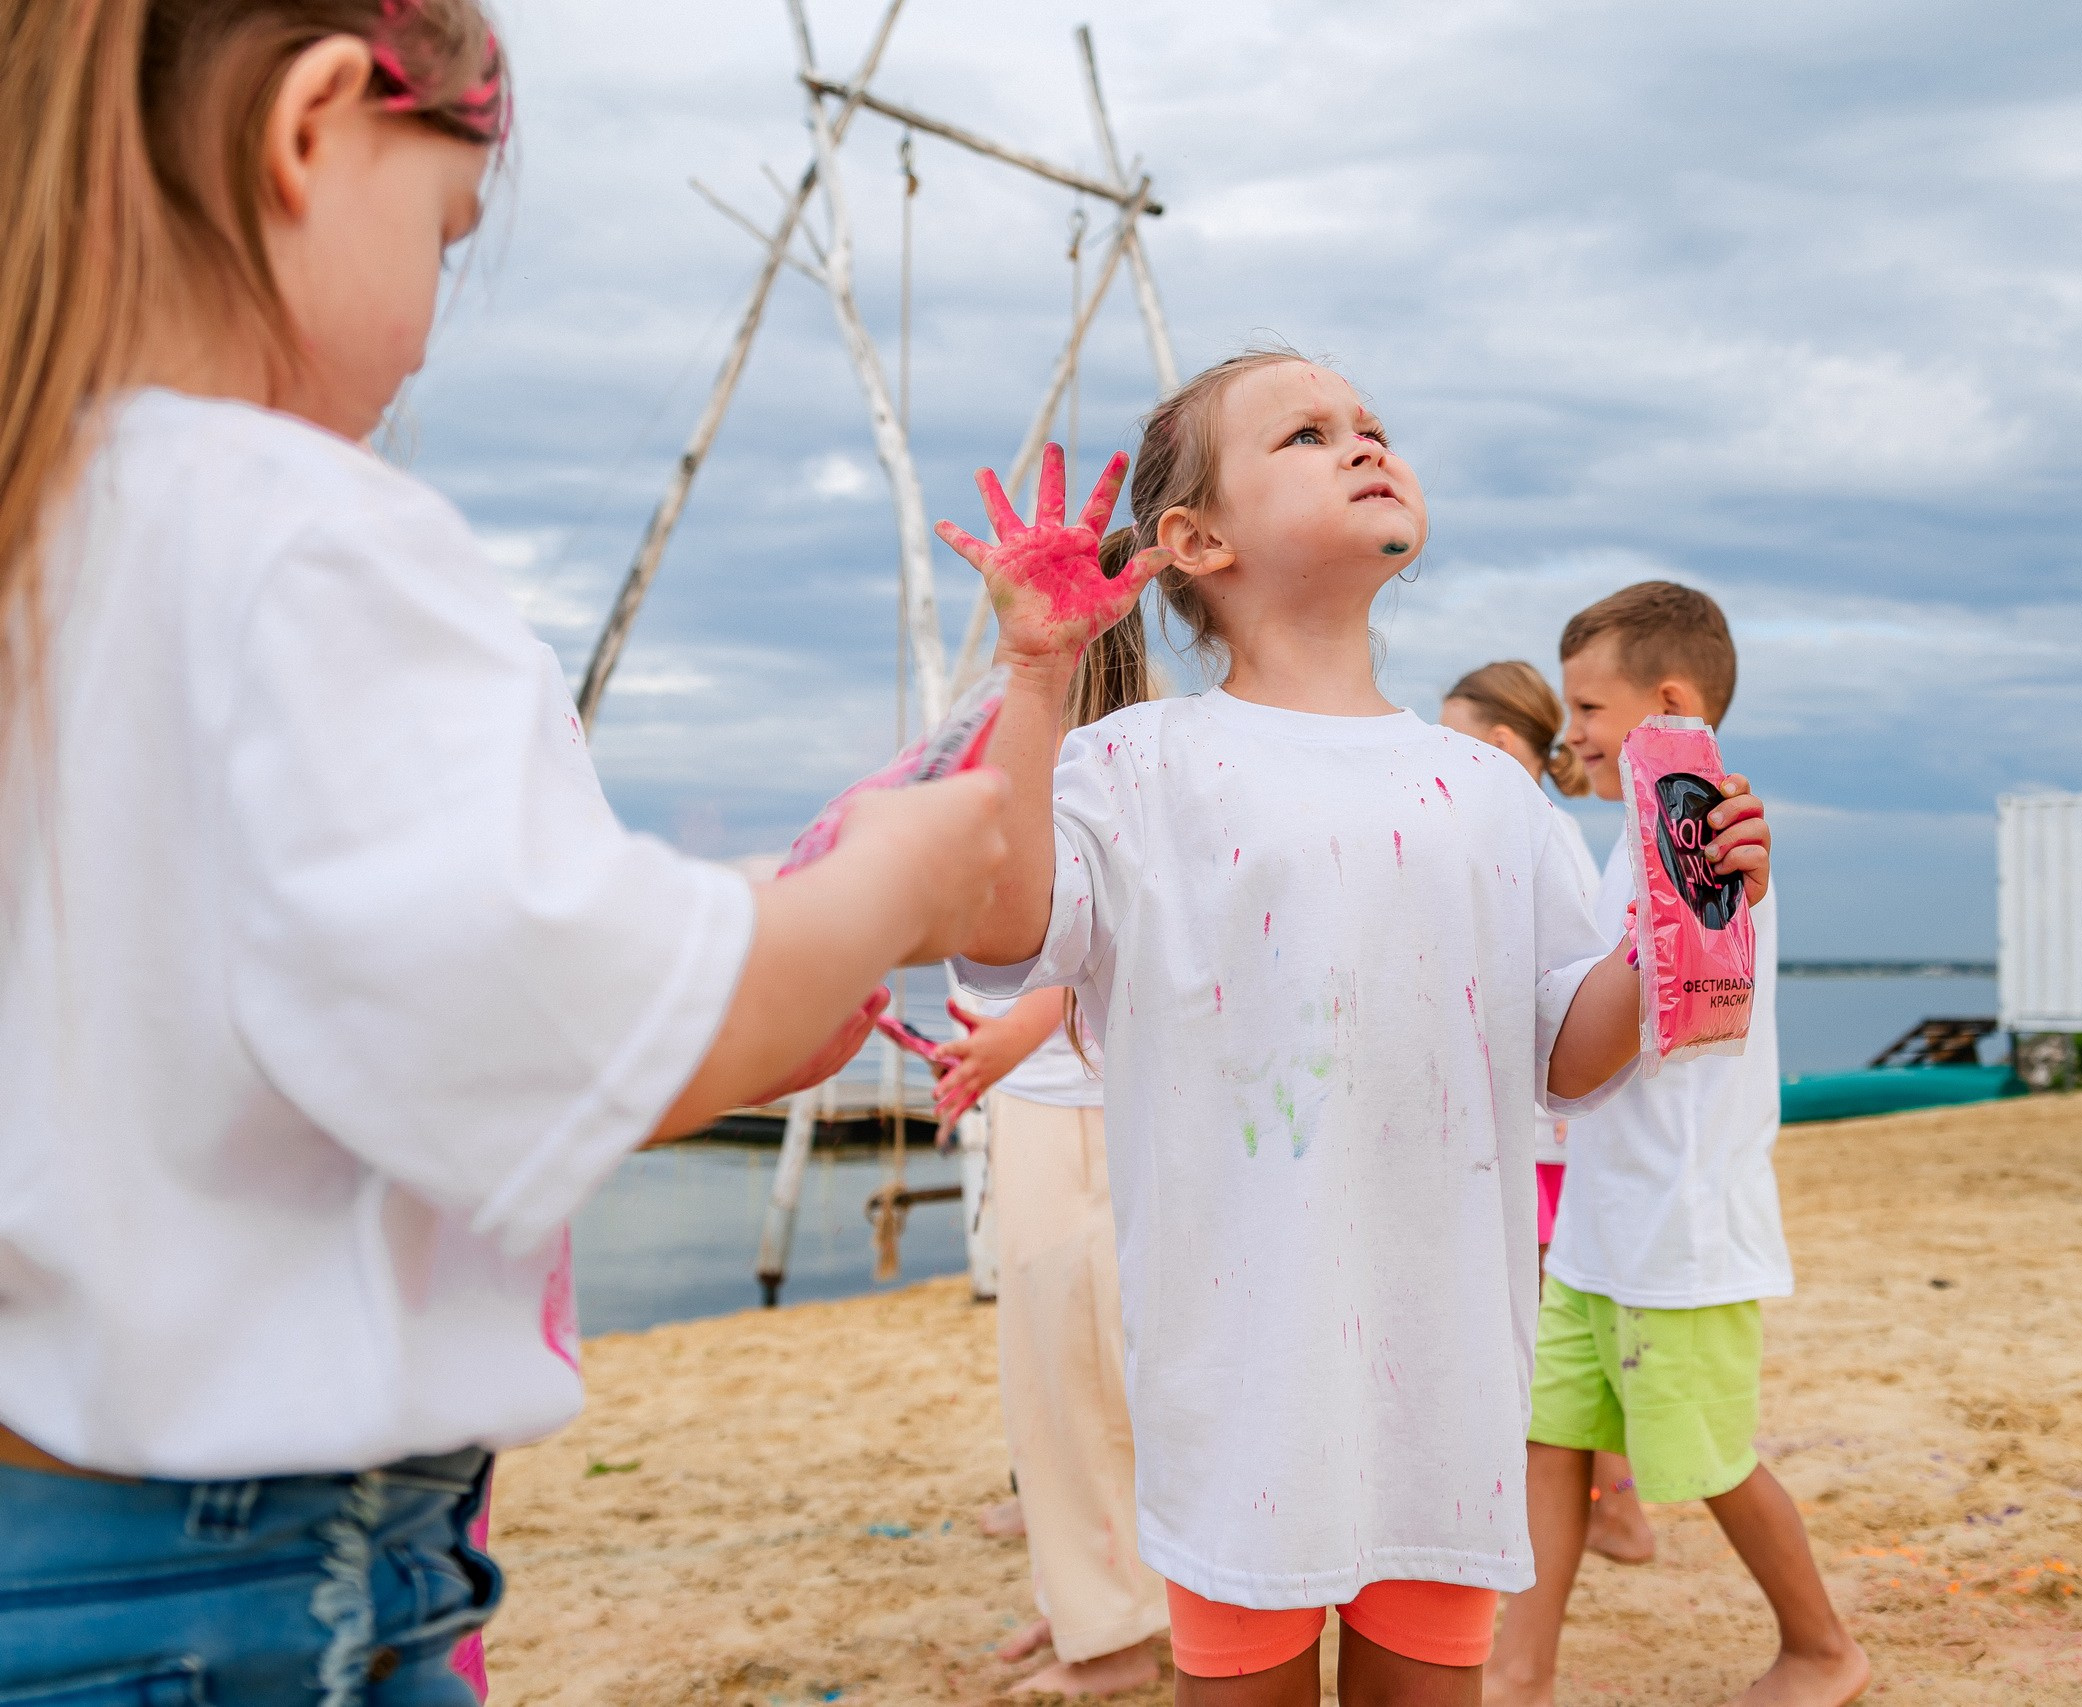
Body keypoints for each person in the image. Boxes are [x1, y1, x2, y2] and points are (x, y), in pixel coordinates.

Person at [0, 4, 1002, 1697]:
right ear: (311, 129)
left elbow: (327, 1021)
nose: (428, 327)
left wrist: (744, 931)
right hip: (246, 1576)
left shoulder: (52, 534)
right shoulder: (289, 529)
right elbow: (557, 1029)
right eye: (447, 238)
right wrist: (889, 882)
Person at [936, 350, 1773, 1707]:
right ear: (1196, 541)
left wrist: (1682, 913)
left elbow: (1567, 1045)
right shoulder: (1133, 762)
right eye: (1310, 433)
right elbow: (1003, 924)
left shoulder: (1489, 793)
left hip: (1443, 1362)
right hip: (1239, 1365)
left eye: (1374, 424)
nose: (1364, 442)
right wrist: (1037, 674)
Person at [1484, 583, 1866, 1707]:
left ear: (1669, 704)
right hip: (1602, 1220)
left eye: (1590, 708)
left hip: (1679, 1226)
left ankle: (1821, 1647)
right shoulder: (1622, 845)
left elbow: (1698, 947)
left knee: (1706, 1460)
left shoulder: (1701, 833)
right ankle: (1520, 1667)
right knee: (1551, 1441)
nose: (1574, 734)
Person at [932, 597, 1169, 1699]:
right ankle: (1092, 1600)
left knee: (1079, 1380)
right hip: (1064, 1095)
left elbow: (1075, 944)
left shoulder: (1100, 757)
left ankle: (1114, 1629)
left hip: (1078, 1101)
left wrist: (998, 1044)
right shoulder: (1089, 746)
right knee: (1085, 1381)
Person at [1438, 662, 1653, 1569]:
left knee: (1551, 1331)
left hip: (1547, 1135)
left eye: (1445, 734)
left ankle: (1614, 1506)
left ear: (1494, 748)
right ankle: (1602, 1504)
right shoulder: (1552, 832)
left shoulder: (1539, 836)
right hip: (1548, 1130)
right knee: (1561, 1330)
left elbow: (1569, 986)